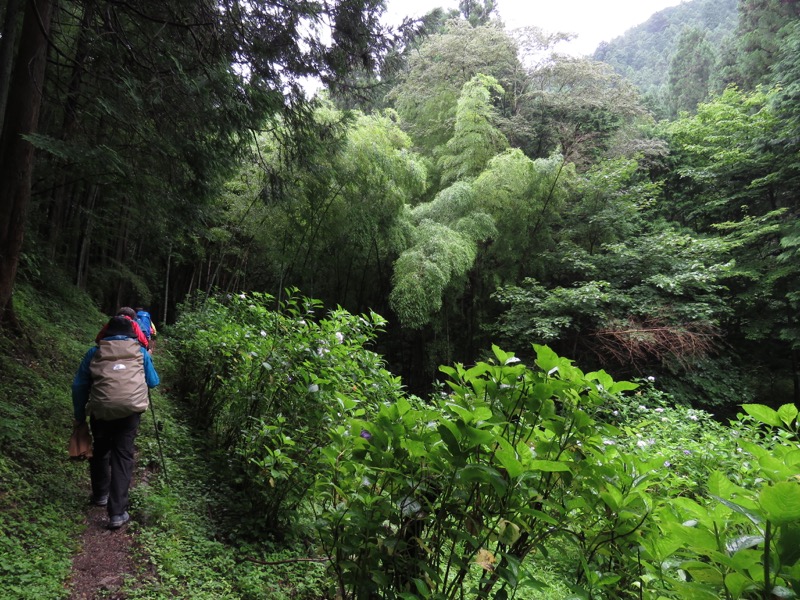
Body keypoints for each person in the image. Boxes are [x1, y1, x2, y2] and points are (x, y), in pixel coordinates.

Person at [72, 316, 160, 529]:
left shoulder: (95, 353)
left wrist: (79, 416)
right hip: (130, 413)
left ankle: (101, 495)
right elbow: (154, 382)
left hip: (101, 411)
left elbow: (79, 386)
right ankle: (117, 513)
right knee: (123, 456)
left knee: (101, 450)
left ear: (106, 332)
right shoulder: (139, 352)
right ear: (132, 333)